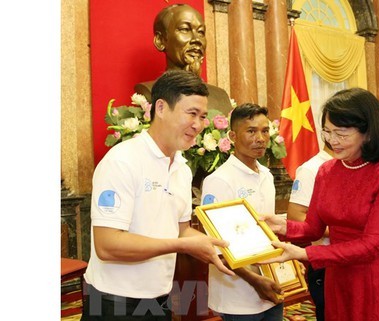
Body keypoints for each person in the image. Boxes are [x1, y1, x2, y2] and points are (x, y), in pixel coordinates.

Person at [81, 69, 234, 321]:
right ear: (161, 108)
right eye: (192, 114)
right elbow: (107, 245)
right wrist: (181, 245)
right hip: (113, 299)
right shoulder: (123, 160)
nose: (198, 125)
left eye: (203, 116)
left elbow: (182, 230)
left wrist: (224, 246)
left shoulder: (182, 168)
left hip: (159, 297)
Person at [260, 87, 379, 321]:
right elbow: (313, 228)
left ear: (368, 132)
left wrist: (306, 253)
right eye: (327, 132)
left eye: (341, 134)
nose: (332, 141)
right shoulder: (327, 171)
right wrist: (282, 226)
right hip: (339, 274)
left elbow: (373, 244)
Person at [200, 103, 284, 321]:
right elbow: (216, 247)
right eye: (251, 131)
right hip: (237, 293)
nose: (260, 138)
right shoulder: (219, 181)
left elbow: (269, 233)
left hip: (271, 282)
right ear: (233, 136)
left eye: (265, 131)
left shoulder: (266, 175)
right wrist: (255, 281)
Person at [135, 3, 233, 114]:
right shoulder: (150, 91)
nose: (197, 39)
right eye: (185, 29)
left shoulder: (220, 96)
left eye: (201, 32)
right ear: (160, 40)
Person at [287, 146, 333, 321]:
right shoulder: (311, 169)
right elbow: (297, 217)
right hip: (325, 260)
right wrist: (347, 231)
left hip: (355, 262)